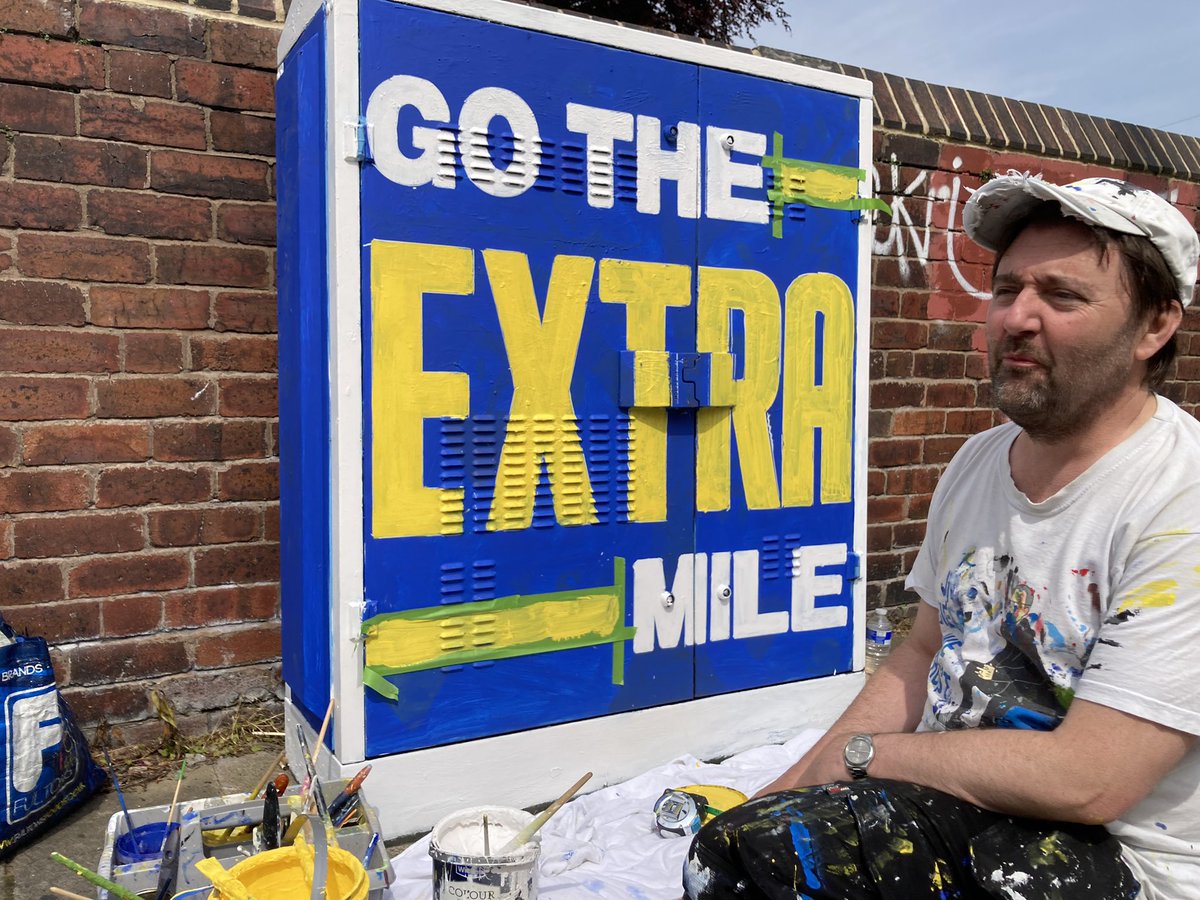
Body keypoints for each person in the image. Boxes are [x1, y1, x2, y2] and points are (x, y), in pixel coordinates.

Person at [683, 174, 1200, 900]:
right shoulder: (978, 461)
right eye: (1008, 289)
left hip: (1124, 863)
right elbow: (924, 648)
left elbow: (1092, 781)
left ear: (1155, 327)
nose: (1017, 318)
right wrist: (788, 785)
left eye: (1062, 296)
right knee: (734, 852)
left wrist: (862, 759)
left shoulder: (1180, 499)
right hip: (960, 805)